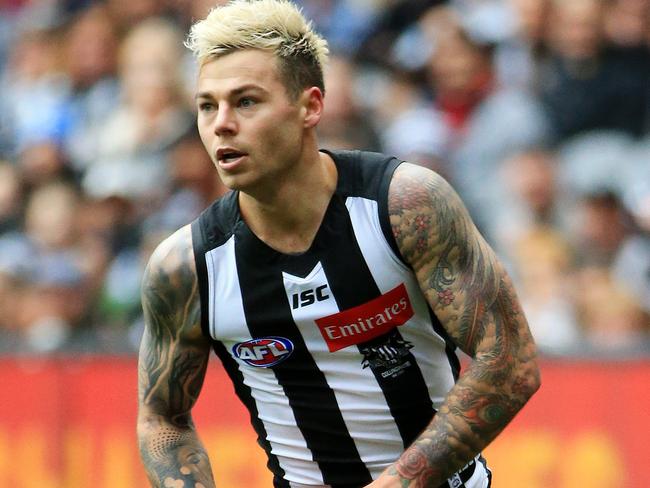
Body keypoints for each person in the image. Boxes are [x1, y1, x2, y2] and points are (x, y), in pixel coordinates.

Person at [136, 1, 541, 487]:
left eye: (246, 101)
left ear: (310, 106)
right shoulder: (186, 267)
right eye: (207, 105)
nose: (221, 123)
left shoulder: (405, 206)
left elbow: (510, 361)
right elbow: (162, 416)